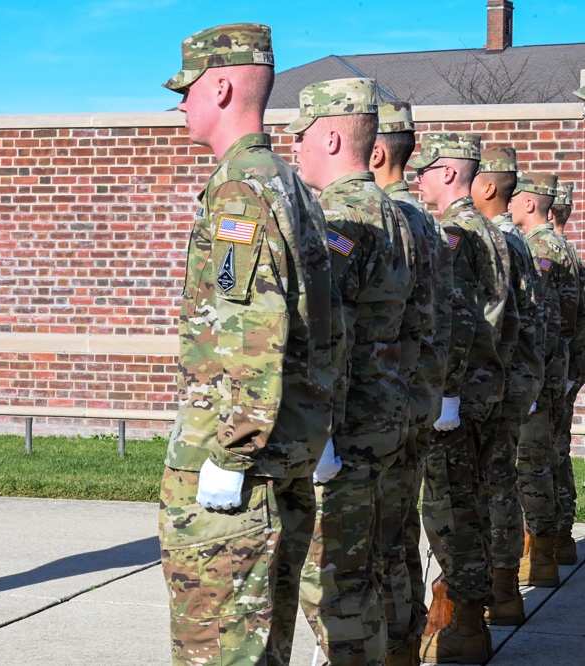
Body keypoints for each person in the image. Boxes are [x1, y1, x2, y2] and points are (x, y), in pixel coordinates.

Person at [159, 23, 335, 665]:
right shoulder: (290, 185)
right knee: (263, 647)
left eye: (188, 89)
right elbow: (325, 327)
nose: (181, 104)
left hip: (241, 466)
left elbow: (250, 332)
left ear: (223, 86)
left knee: (220, 649)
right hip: (284, 450)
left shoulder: (240, 188)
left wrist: (231, 454)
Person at [286, 79, 414, 666]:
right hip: (388, 413)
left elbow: (326, 330)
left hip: (349, 425)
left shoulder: (342, 214)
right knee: (371, 570)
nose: (295, 148)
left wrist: (319, 432)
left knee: (335, 585)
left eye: (303, 134)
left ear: (333, 136)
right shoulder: (400, 214)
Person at [409, 132, 508, 663]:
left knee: (451, 511)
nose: (416, 177)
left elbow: (457, 317)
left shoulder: (455, 231)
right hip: (485, 388)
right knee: (473, 504)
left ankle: (464, 626)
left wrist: (445, 394)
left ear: (449, 173)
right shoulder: (488, 230)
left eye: (425, 170)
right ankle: (471, 615)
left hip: (460, 397)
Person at [369, 101, 447, 665]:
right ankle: (406, 646)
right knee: (399, 541)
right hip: (414, 403)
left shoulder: (368, 216)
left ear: (376, 151)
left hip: (373, 409)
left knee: (369, 549)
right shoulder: (426, 222)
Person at [471, 147, 545, 625]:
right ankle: (503, 590)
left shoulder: (492, 240)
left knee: (492, 486)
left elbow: (492, 321)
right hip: (516, 378)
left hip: (494, 382)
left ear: (488, 186)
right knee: (500, 483)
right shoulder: (514, 240)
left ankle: (498, 593)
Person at [509, 172, 577, 592]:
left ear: (529, 203)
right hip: (555, 368)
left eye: (516, 198)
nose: (510, 204)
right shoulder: (552, 245)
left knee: (535, 464)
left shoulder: (540, 247)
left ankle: (544, 556)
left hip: (544, 370)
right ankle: (554, 545)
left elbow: (548, 316)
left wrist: (540, 374)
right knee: (550, 457)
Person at [548, 182, 584, 566]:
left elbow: (560, 320)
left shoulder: (549, 254)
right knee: (555, 452)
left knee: (542, 456)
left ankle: (548, 542)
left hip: (551, 371)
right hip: (564, 369)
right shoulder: (572, 255)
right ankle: (558, 537)